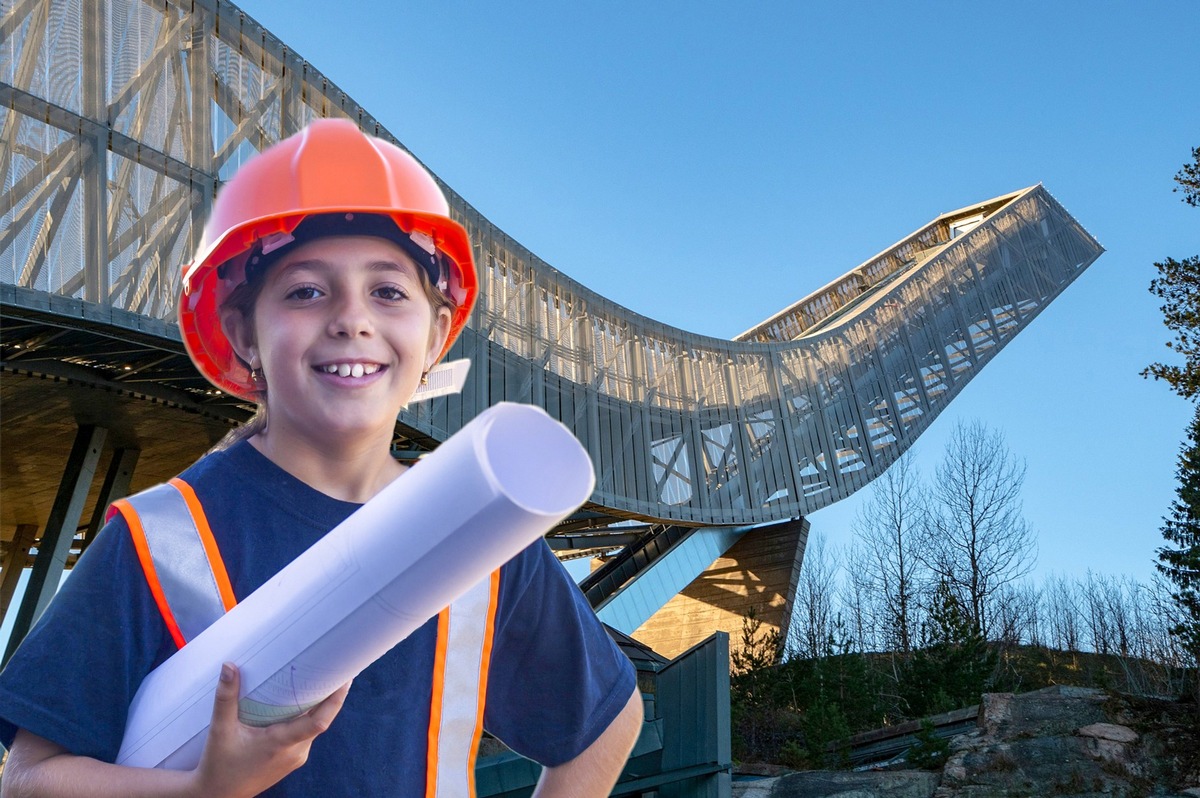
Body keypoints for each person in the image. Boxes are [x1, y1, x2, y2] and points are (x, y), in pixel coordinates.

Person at [0, 119, 642, 797]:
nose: (351, 319)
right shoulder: (160, 538)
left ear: (436, 336)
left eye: (389, 291)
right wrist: (201, 792)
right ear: (245, 332)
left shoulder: (484, 538)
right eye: (306, 290)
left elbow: (607, 722)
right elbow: (31, 782)